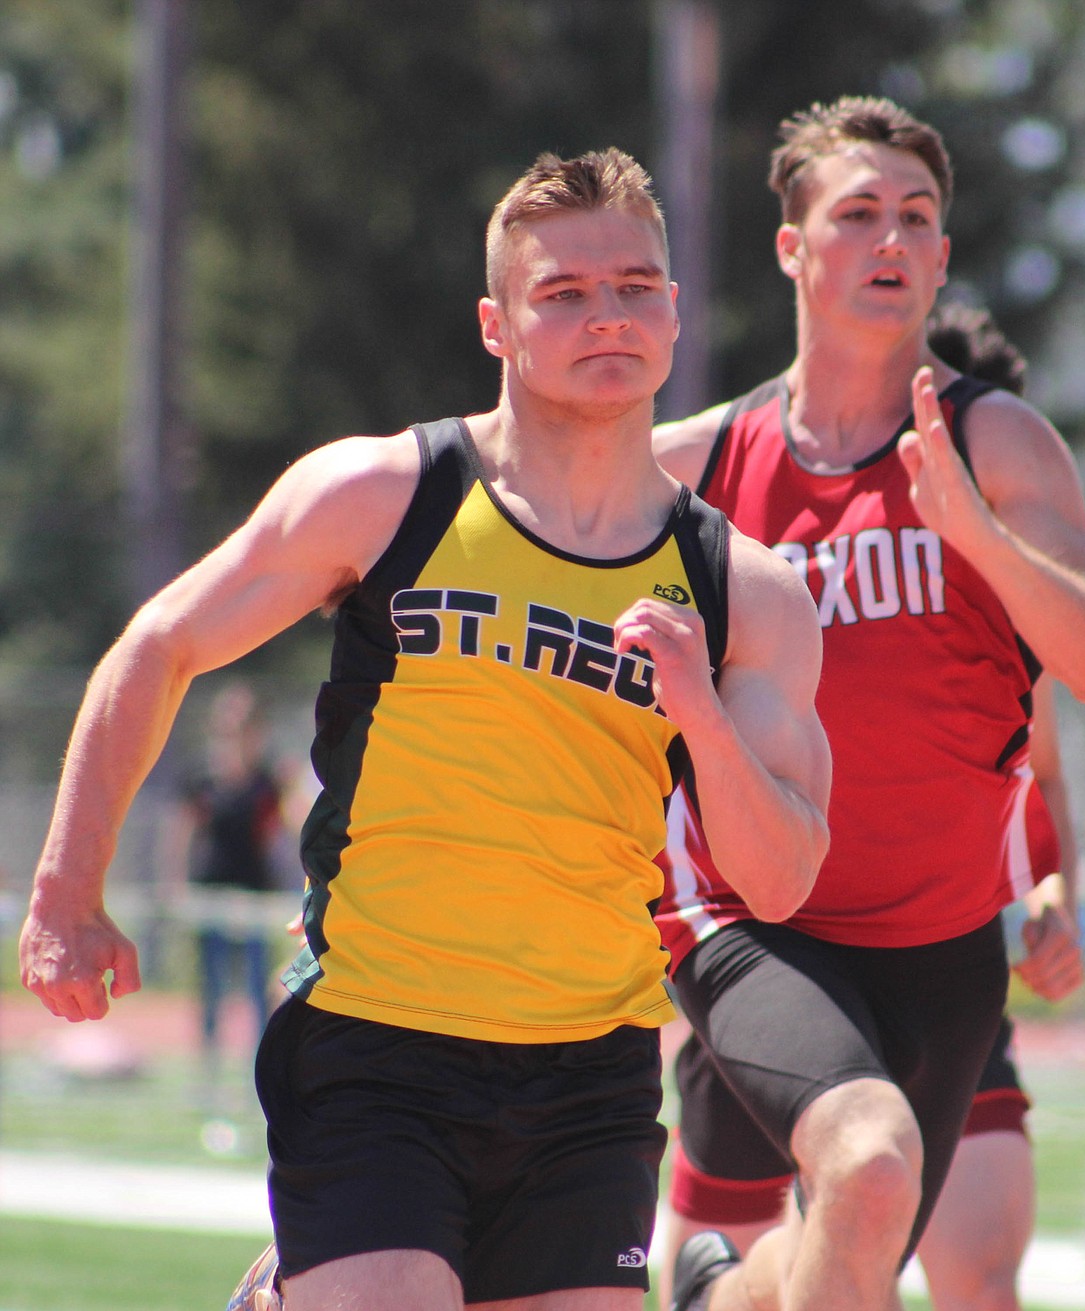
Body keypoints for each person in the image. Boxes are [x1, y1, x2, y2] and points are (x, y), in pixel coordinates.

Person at [19, 147, 832, 1311]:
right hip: (374, 1038)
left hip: (587, 1070)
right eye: (563, 293)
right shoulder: (386, 493)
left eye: (635, 286)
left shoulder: (743, 589)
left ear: (675, 309)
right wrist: (68, 889)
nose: (607, 315)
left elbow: (785, 877)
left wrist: (698, 707)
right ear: (498, 326)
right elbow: (162, 643)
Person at [649, 96, 1085, 1311]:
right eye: (858, 213)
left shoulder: (1001, 445)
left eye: (916, 218)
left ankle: (717, 1291)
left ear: (942, 257)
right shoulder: (699, 465)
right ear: (792, 248)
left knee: (848, 1247)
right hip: (756, 918)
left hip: (939, 948)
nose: (891, 239)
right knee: (868, 1184)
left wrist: (973, 531)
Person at [175, 680, 286, 1078]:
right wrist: (177, 883)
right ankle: (207, 1070)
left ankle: (259, 1069)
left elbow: (280, 834)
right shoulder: (201, 776)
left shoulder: (268, 780)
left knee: (259, 990)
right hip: (211, 892)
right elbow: (184, 832)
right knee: (211, 989)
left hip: (255, 894)